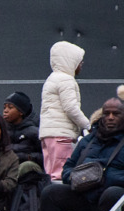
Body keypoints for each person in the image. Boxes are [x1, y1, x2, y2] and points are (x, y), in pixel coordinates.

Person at [41, 97, 124, 211]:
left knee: (112, 193)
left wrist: (104, 177)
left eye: (116, 114)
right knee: (50, 192)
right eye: (106, 113)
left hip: (114, 202)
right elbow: (68, 168)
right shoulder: (88, 140)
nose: (110, 117)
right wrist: (76, 178)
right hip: (85, 197)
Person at [39, 41, 90, 181]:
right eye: (79, 61)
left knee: (50, 175)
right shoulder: (66, 80)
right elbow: (71, 108)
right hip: (61, 137)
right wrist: (88, 125)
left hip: (48, 136)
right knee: (62, 175)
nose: (81, 65)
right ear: (70, 62)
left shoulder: (51, 79)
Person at [3, 91, 44, 171]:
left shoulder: (34, 132)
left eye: (10, 107)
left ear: (21, 112)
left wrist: (27, 157)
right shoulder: (1, 131)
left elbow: (45, 156)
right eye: (4, 107)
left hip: (27, 173)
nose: (5, 111)